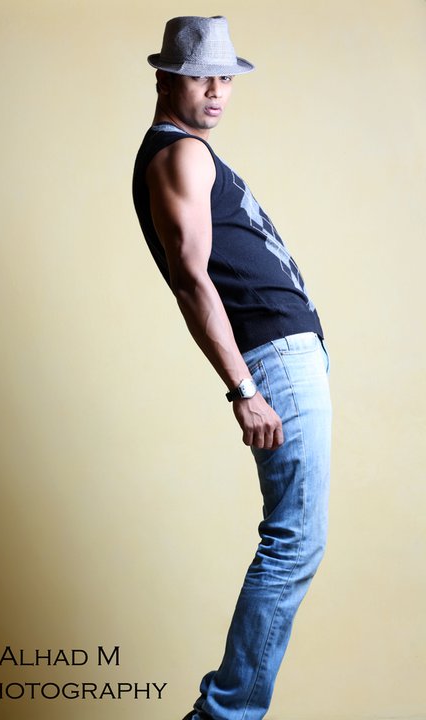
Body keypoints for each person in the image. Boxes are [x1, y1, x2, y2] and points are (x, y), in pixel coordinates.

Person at [132, 15, 332, 720]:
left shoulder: (189, 153)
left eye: (225, 78)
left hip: (287, 352)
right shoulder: (180, 154)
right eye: (200, 77)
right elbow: (191, 280)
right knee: (295, 541)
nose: (216, 91)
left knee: (296, 538)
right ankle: (224, 715)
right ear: (166, 79)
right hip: (271, 357)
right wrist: (243, 389)